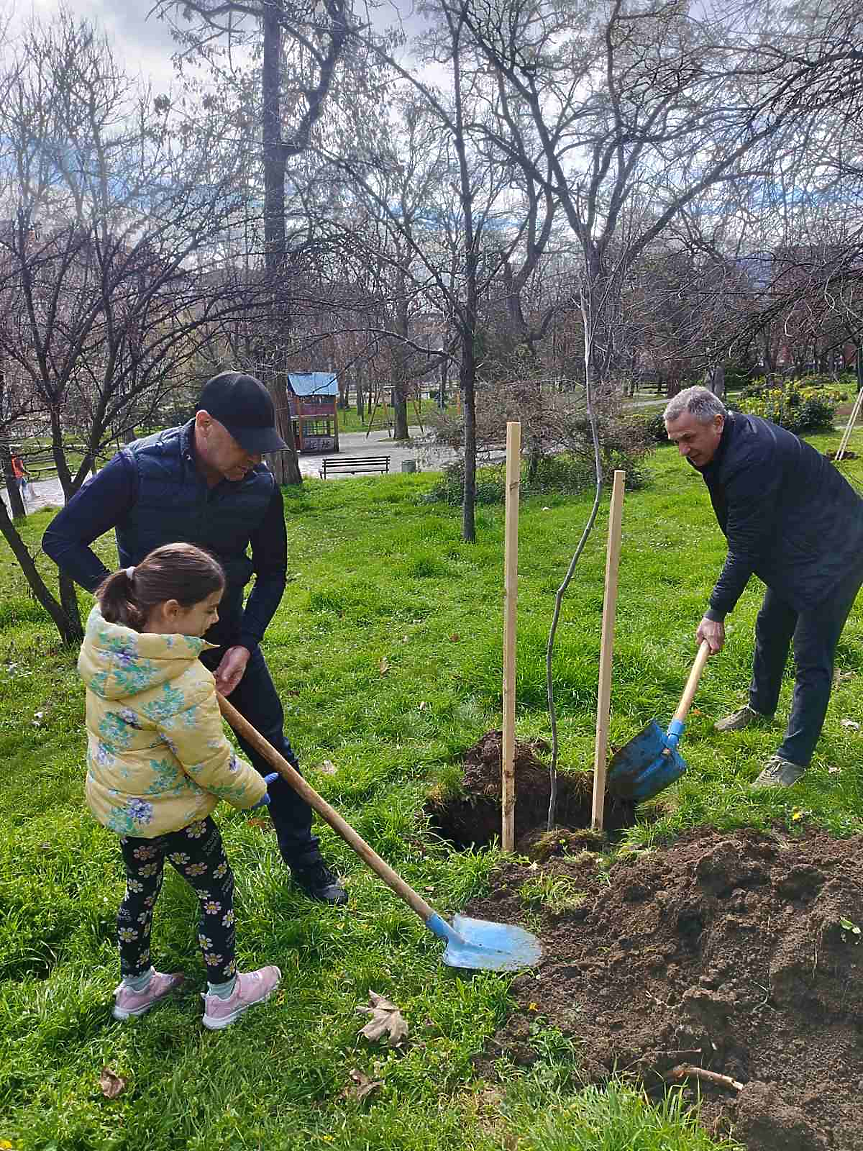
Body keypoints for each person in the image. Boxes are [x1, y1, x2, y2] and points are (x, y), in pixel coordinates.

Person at [44, 370, 346, 903]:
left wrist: (244, 642)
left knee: (272, 747)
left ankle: (307, 862)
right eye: (246, 446)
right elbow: (61, 536)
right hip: (152, 649)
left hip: (223, 630)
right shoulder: (138, 468)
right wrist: (124, 601)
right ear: (204, 424)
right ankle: (175, 867)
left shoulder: (258, 487)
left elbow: (273, 571)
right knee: (156, 758)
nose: (255, 458)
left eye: (263, 449)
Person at [79, 543, 282, 1028]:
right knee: (215, 893)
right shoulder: (183, 684)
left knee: (139, 892)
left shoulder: (111, 650)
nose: (215, 621)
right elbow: (211, 764)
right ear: (172, 611)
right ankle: (224, 994)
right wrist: (254, 789)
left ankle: (135, 987)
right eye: (209, 610)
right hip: (176, 814)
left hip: (128, 808)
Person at [664, 385, 863, 787]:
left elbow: (746, 545)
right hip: (800, 541)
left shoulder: (750, 456)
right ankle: (760, 707)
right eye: (676, 442)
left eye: (689, 439)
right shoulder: (725, 445)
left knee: (811, 654)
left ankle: (792, 759)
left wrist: (715, 612)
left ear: (717, 422)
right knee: (771, 627)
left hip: (839, 548)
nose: (683, 451)